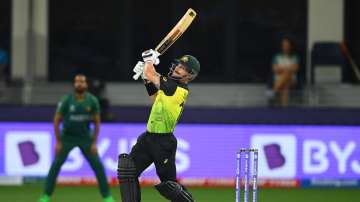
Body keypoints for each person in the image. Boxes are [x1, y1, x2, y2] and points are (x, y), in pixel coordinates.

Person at [117, 49, 200, 202]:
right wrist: (146, 78)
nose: (177, 68)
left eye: (182, 68)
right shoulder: (169, 87)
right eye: (178, 65)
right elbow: (155, 98)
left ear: (189, 75)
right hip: (148, 138)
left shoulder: (177, 88)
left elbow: (151, 73)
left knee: (169, 186)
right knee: (127, 171)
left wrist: (149, 60)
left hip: (164, 142)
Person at [38, 74, 114, 202]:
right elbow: (57, 120)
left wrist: (94, 143)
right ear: (74, 84)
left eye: (82, 82)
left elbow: (97, 122)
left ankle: (107, 197)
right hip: (67, 138)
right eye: (77, 82)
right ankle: (46, 196)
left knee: (98, 167)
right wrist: (58, 141)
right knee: (55, 166)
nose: (79, 84)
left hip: (85, 139)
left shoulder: (92, 101)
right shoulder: (67, 100)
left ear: (86, 85)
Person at [271, 37, 300, 106]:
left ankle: (273, 92)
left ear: (290, 46)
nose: (285, 47)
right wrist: (288, 68)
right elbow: (275, 69)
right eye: (284, 45)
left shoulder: (295, 57)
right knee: (285, 85)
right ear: (281, 46)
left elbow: (295, 69)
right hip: (278, 79)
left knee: (287, 75)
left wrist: (282, 69)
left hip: (292, 80)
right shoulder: (276, 57)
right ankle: (284, 108)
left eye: (287, 45)